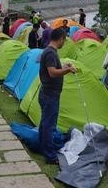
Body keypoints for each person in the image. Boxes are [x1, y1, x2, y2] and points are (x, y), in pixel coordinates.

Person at [38, 28, 77, 164]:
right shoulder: (50, 52)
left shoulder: (50, 52)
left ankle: (43, 147)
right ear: (60, 39)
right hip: (50, 94)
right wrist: (68, 70)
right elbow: (52, 73)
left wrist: (64, 66)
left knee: (45, 123)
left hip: (48, 93)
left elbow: (54, 68)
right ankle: (50, 156)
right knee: (49, 125)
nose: (64, 42)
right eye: (64, 39)